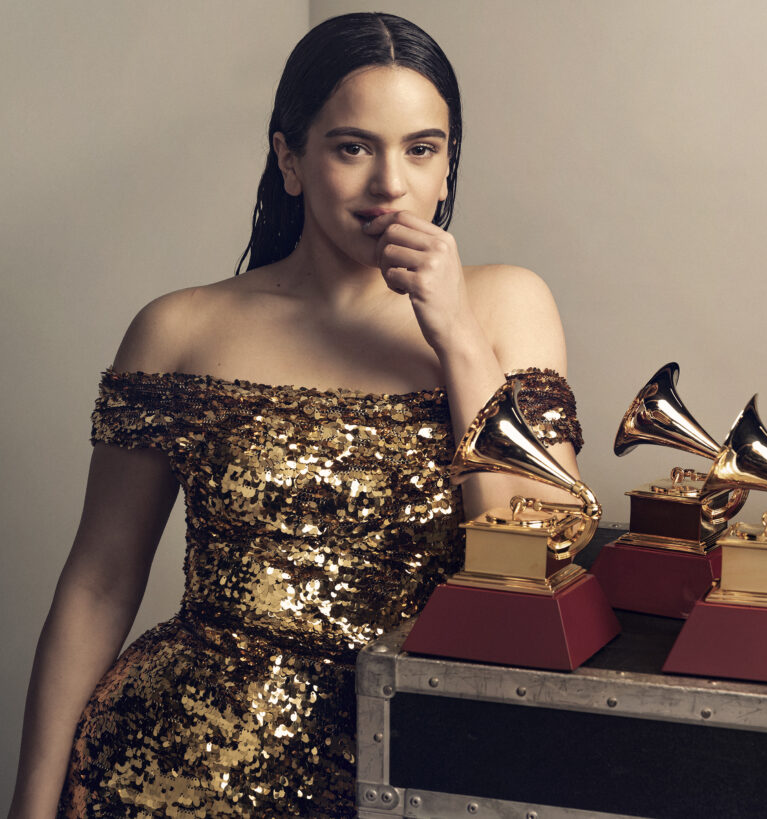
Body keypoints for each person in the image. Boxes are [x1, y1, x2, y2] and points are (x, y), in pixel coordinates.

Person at [9, 13, 584, 818]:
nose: (392, 183)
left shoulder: (507, 306)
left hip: (417, 761)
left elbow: (538, 552)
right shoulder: (179, 329)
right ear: (291, 158)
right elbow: (100, 580)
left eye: (421, 149)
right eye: (354, 147)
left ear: (448, 168)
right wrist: (32, 803)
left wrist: (454, 334)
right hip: (176, 768)